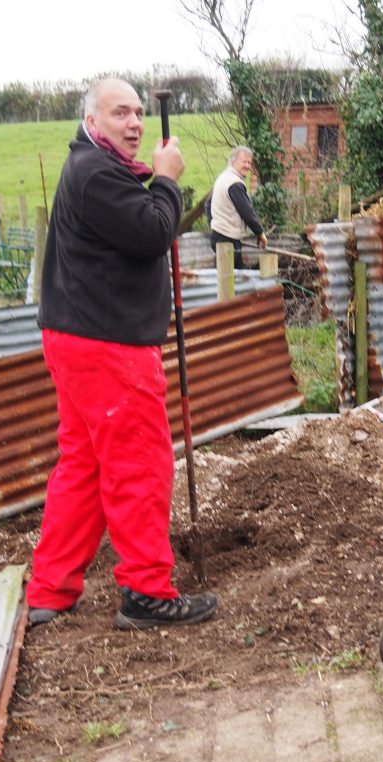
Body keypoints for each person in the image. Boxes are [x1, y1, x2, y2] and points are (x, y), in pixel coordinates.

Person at [28, 78, 218, 629]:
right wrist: (166, 179)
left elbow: (131, 239)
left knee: (83, 467)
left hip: (76, 335)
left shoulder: (94, 166)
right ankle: (146, 591)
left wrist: (152, 184)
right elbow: (153, 232)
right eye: (121, 113)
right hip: (107, 345)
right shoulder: (94, 174)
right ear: (93, 120)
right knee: (138, 462)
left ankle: (51, 589)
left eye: (139, 113)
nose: (135, 123)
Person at [207, 146, 267, 269]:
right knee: (226, 280)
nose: (247, 165)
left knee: (235, 276)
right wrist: (260, 233)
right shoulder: (235, 183)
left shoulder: (223, 177)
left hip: (221, 236)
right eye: (244, 161)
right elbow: (247, 213)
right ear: (233, 162)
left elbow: (208, 204)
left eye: (249, 162)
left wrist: (215, 225)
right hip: (227, 240)